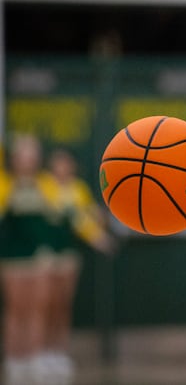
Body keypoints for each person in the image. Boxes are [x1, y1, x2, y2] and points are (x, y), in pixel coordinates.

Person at [42, 148, 114, 384]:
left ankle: (58, 352)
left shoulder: (78, 189)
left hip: (67, 256)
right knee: (46, 305)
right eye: (59, 163)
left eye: (67, 163)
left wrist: (99, 229)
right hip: (42, 257)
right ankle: (41, 352)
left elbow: (86, 219)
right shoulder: (44, 186)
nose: (63, 168)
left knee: (63, 304)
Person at [0, 134, 58, 384]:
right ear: (15, 158)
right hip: (12, 257)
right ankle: (14, 360)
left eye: (32, 155)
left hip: (39, 257)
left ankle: (34, 358)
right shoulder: (5, 184)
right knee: (15, 310)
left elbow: (54, 216)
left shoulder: (45, 183)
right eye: (24, 154)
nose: (28, 160)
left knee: (38, 309)